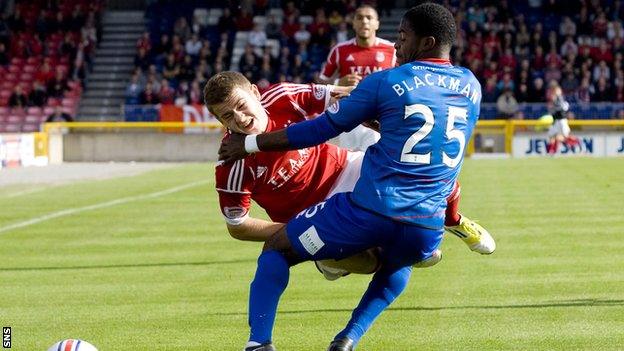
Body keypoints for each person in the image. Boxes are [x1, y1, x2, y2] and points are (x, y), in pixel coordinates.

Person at [218, 4, 489, 350]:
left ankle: (259, 343)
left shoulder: (387, 79)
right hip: (424, 224)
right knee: (400, 258)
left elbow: (321, 128)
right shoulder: (472, 86)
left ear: (426, 42)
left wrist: (252, 144)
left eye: (403, 38)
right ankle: (348, 338)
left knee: (279, 247)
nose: (396, 46)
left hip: (368, 211)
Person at [206, 71, 494, 278]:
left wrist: (384, 119)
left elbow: (339, 96)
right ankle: (379, 256)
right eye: (228, 116)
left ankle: (454, 220)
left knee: (417, 164)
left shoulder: (283, 97)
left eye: (241, 106)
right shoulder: (230, 164)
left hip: (347, 169)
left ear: (255, 93)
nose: (241, 119)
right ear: (219, 121)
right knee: (367, 262)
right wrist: (292, 231)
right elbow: (238, 226)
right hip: (313, 212)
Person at [317, 5, 396, 152]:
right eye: (359, 18)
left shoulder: (392, 50)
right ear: (353, 23)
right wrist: (338, 83)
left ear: (377, 23)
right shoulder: (339, 50)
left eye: (369, 18)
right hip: (348, 115)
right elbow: (320, 82)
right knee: (347, 163)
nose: (364, 22)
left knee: (373, 161)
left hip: (379, 116)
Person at [546, 81, 580, 154]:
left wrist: (554, 105)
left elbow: (563, 107)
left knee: (565, 136)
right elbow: (552, 109)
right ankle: (551, 152)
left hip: (561, 120)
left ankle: (578, 143)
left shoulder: (559, 98)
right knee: (552, 135)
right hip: (555, 120)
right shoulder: (553, 97)